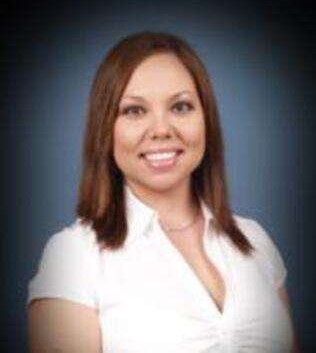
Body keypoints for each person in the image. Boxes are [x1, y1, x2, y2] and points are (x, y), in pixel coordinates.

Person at [27, 31, 299, 353]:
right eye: (134, 111)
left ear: (206, 120)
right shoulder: (74, 256)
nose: (161, 129)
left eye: (181, 107)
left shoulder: (256, 242)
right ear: (105, 130)